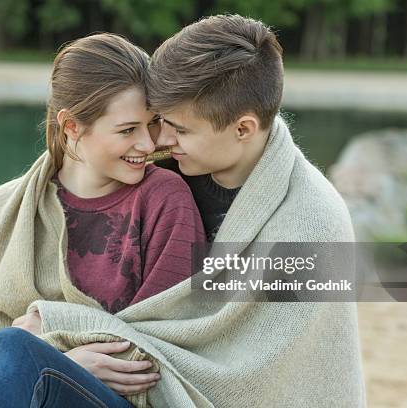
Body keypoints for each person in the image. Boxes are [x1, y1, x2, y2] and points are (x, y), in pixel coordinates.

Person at [24, 15, 366, 407]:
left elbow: (249, 377)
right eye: (161, 121)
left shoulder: (313, 225)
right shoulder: (164, 168)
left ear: (243, 129)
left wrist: (59, 333)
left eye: (180, 130)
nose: (159, 140)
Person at [0, 33, 205, 408]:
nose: (148, 144)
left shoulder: (165, 197)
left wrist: (51, 352)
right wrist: (62, 363)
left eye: (152, 124)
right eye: (128, 130)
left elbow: (176, 334)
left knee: (14, 346)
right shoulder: (10, 205)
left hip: (122, 399)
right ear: (71, 127)